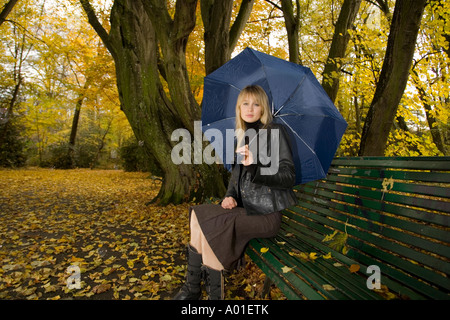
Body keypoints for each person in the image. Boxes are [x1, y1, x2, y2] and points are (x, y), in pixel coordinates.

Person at [173, 85, 297, 300]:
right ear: (239, 109)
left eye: (256, 104)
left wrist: (254, 165)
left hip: (266, 215)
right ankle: (192, 288)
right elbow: (236, 178)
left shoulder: (274, 132)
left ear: (263, 108)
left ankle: (205, 294)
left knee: (212, 225)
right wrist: (230, 195)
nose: (250, 109)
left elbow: (288, 177)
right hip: (245, 211)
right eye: (245, 104)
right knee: (197, 216)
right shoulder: (242, 137)